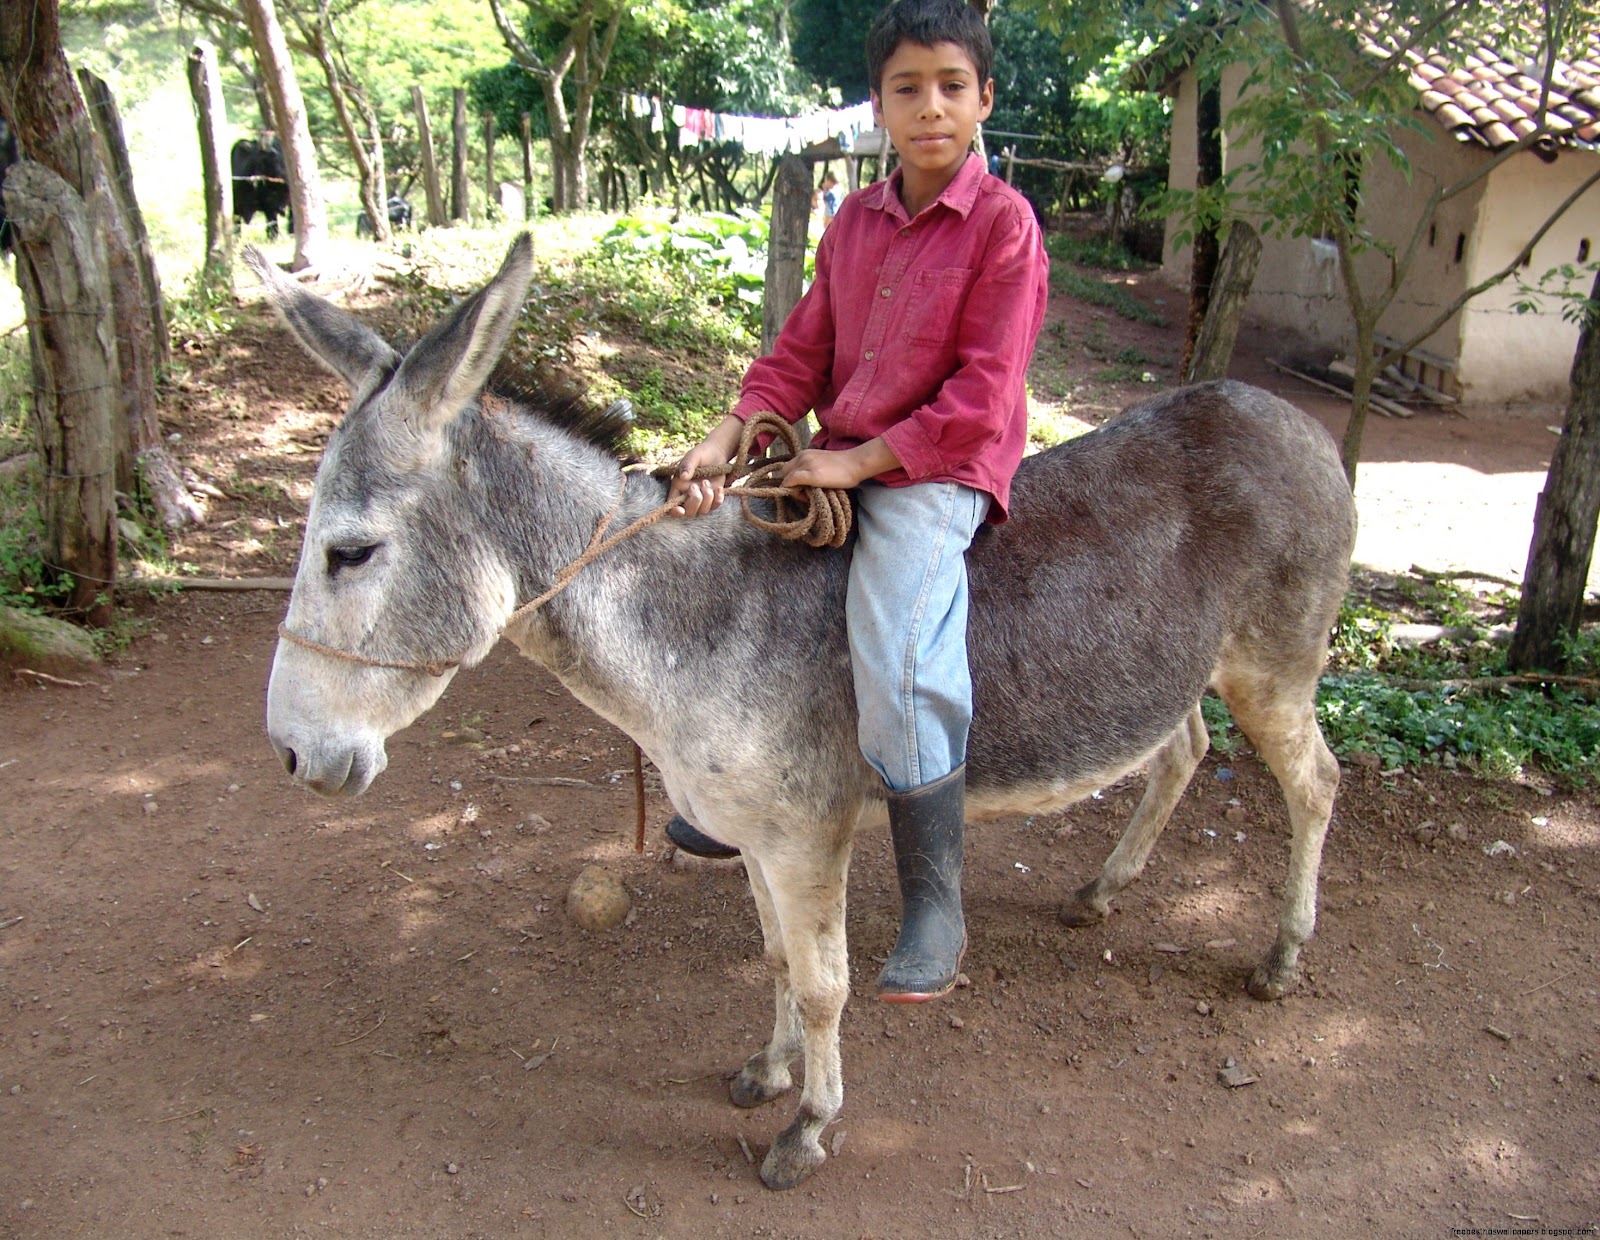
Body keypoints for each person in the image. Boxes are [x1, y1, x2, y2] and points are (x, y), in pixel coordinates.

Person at [665, 0, 1049, 1003]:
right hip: (841, 451)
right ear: (877, 104)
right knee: (740, 573)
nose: (930, 107)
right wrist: (737, 429)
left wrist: (859, 461)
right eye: (907, 88)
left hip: (937, 470)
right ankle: (738, 792)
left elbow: (981, 395)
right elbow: (799, 354)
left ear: (984, 100)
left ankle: (935, 896)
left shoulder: (1004, 227)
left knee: (899, 643)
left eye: (951, 86)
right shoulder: (855, 223)